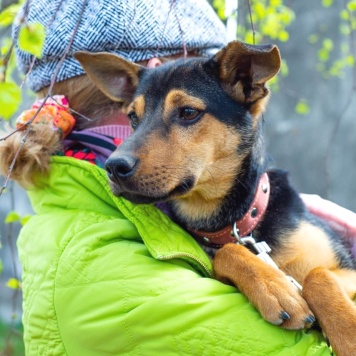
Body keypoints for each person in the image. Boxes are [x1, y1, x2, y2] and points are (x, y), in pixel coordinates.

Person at [0, 0, 355, 354]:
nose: (122, 158)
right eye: (137, 118)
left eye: (186, 113)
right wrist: (233, 261)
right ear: (142, 81)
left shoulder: (144, 221)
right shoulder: (114, 260)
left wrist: (323, 286)